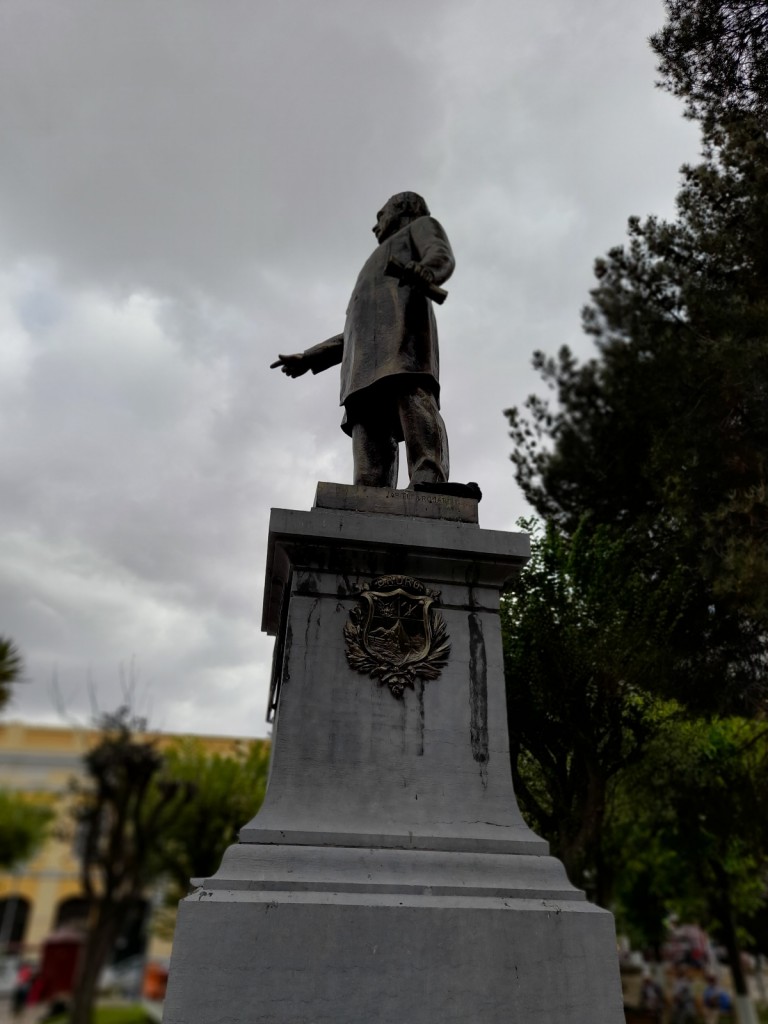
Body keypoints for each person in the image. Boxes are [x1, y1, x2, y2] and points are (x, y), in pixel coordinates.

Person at [271, 191, 455, 489]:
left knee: (413, 399)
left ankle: (428, 475)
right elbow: (354, 333)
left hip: (403, 340)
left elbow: (440, 255)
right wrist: (309, 357)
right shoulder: (369, 269)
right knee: (367, 422)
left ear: (403, 209)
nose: (375, 226)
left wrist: (427, 270)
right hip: (363, 365)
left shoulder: (419, 227)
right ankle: (370, 488)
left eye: (380, 215)